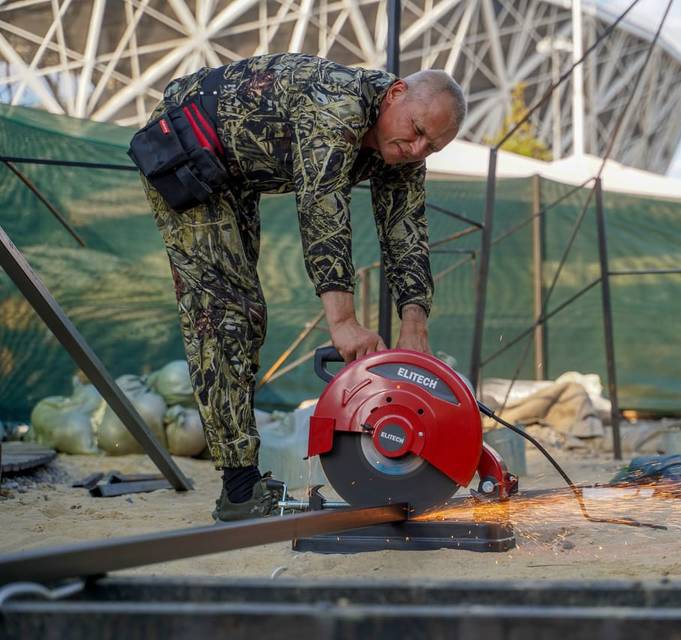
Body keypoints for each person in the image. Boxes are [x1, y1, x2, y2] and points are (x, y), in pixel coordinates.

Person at [134, 53, 466, 521]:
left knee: (245, 315)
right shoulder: (338, 103)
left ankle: (240, 480)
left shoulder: (404, 146)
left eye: (431, 147)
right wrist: (344, 322)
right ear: (395, 94)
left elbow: (405, 229)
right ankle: (239, 489)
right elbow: (322, 207)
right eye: (415, 130)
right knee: (226, 314)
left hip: (236, 174)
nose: (416, 149)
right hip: (187, 147)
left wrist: (415, 328)